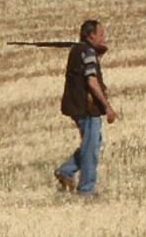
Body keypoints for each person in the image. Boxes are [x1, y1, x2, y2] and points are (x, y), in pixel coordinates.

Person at [54, 19, 117, 196]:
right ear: (91, 35)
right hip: (87, 108)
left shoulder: (79, 51)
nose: (103, 37)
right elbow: (91, 80)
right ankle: (86, 190)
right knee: (91, 149)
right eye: (100, 34)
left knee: (93, 143)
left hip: (76, 106)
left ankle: (66, 171)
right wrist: (107, 107)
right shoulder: (87, 52)